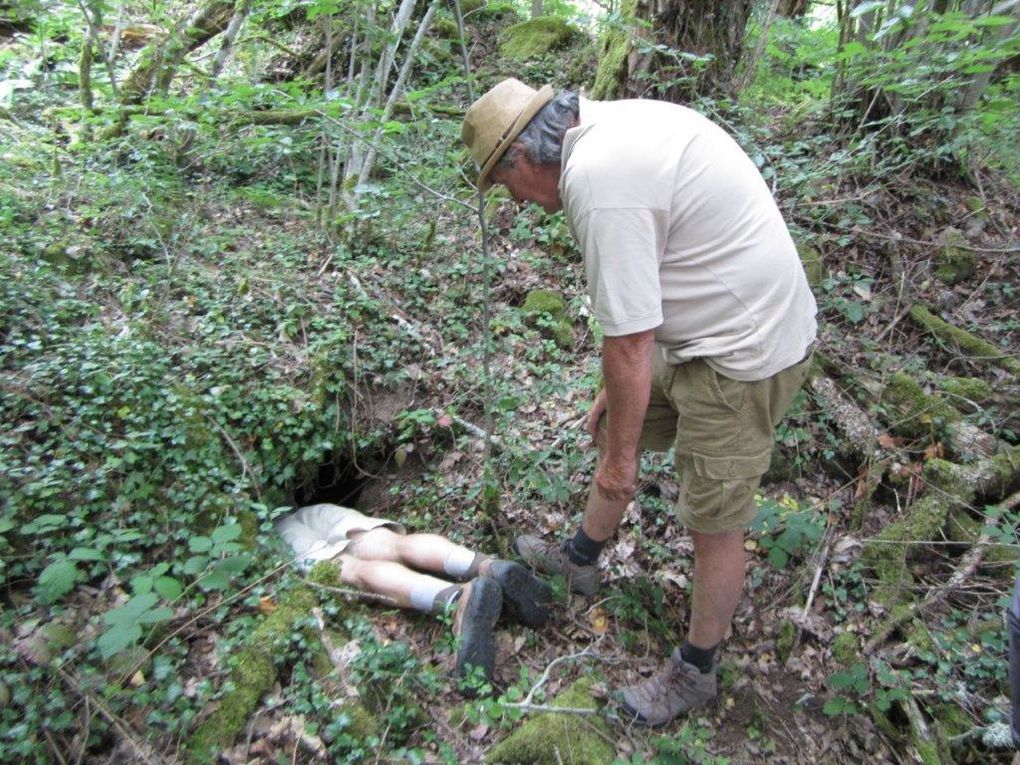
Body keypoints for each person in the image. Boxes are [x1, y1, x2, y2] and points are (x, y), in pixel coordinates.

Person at [461, 79, 818, 726]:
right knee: (614, 421)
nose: (517, 202)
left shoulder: (597, 183)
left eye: (507, 186)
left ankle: (696, 668)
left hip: (745, 348)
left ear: (523, 157)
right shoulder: (604, 131)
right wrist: (618, 401)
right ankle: (580, 560)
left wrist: (621, 462)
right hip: (698, 322)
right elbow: (635, 316)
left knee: (714, 514)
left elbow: (626, 341)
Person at [276, 503, 552, 695]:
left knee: (353, 569)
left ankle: (455, 600)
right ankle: (487, 566)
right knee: (392, 544)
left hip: (279, 525)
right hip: (314, 512)